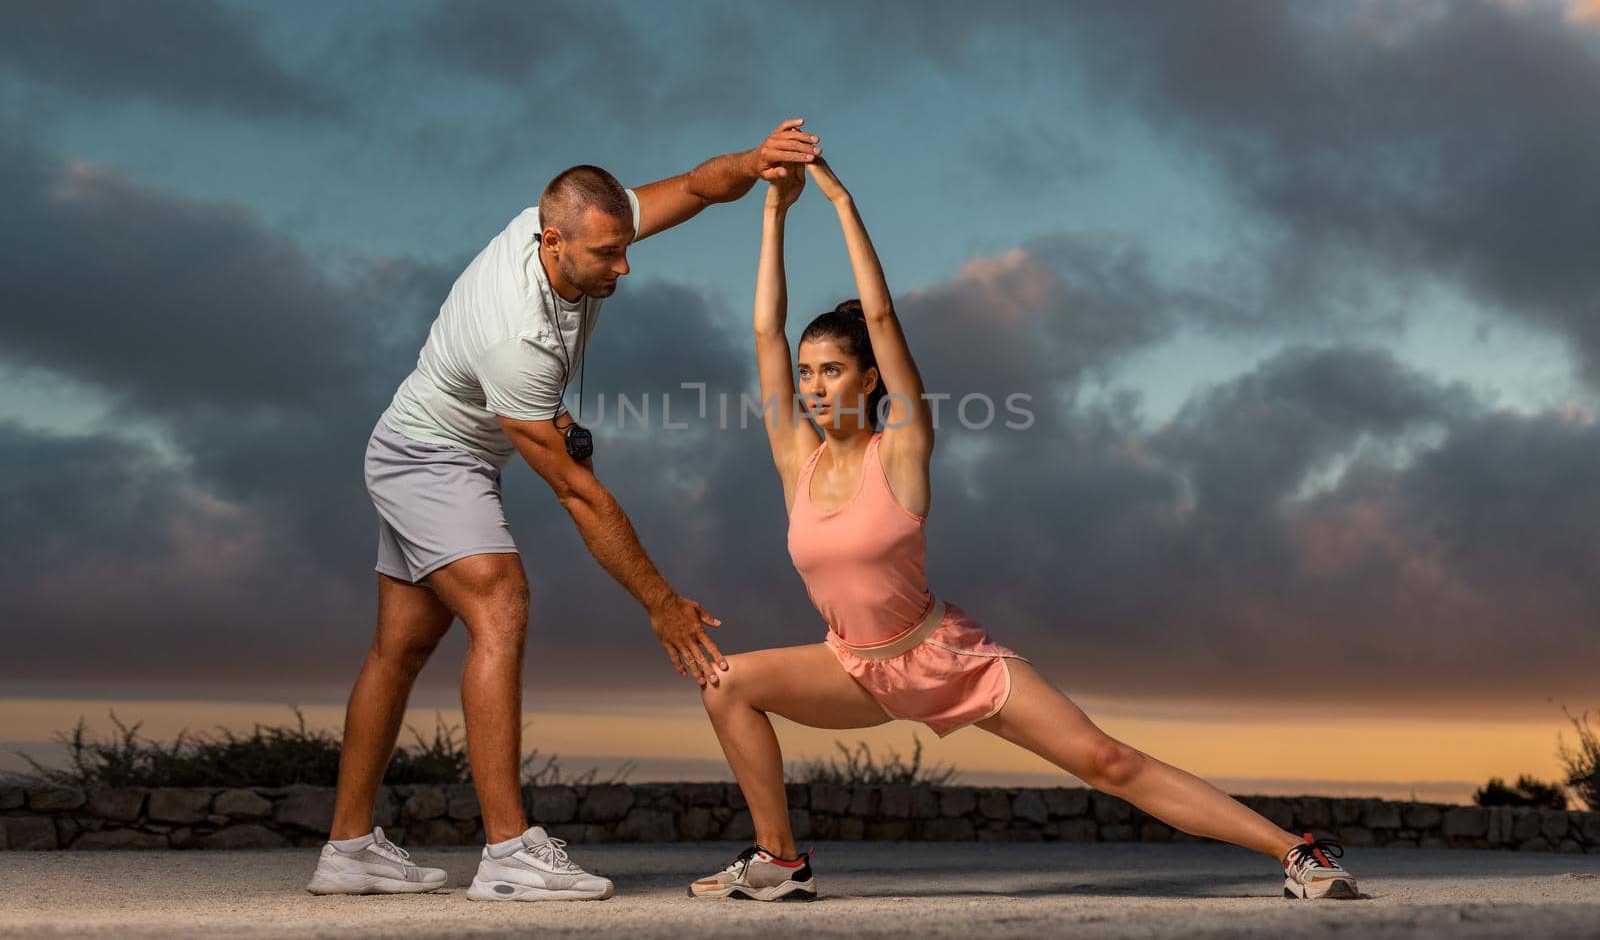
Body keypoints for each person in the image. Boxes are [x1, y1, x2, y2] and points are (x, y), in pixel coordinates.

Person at [688, 145, 1359, 903]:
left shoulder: (902, 449)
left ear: (869, 379)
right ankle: (779, 859)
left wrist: (840, 204)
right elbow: (764, 336)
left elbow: (879, 314)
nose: (812, 386)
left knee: (1107, 761)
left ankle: (1297, 852)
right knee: (725, 683)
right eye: (808, 374)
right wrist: (774, 210)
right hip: (855, 667)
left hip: (948, 657)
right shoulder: (795, 459)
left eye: (831, 370)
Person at [306, 120, 825, 901]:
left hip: (428, 447)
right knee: (501, 602)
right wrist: (660, 602)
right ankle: (509, 852)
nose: (623, 266)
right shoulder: (517, 335)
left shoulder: (585, 225)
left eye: (625, 248)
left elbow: (693, 184)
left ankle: (347, 850)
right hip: (429, 456)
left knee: (401, 646)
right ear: (552, 241)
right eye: (604, 255)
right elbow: (578, 489)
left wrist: (754, 163)